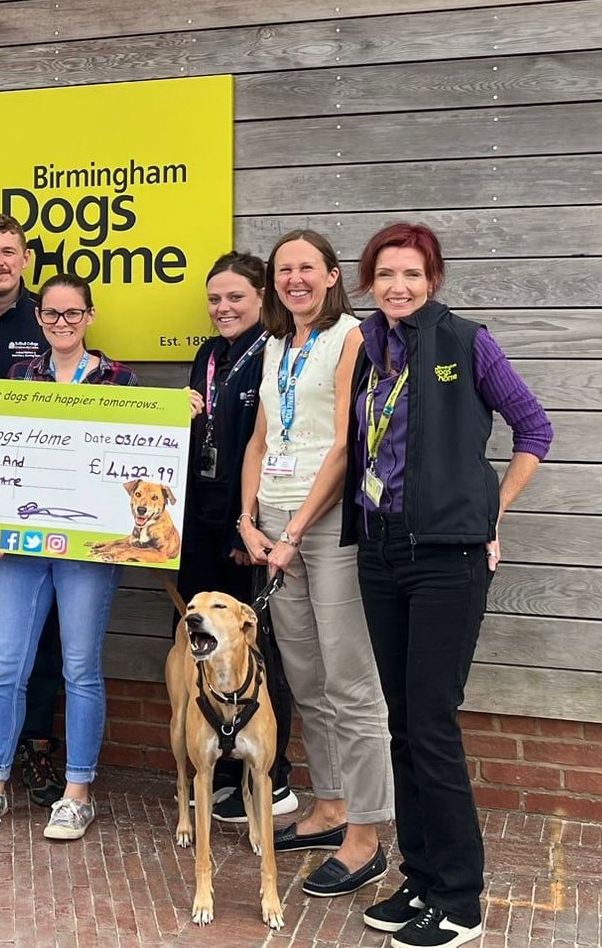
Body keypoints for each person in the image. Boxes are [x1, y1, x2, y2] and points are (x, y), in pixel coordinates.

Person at [342, 224, 551, 948]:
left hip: (447, 558)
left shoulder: (467, 342)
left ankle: (460, 901)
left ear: (433, 278)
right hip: (380, 553)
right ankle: (421, 878)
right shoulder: (371, 349)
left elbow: (534, 428)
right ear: (369, 281)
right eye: (386, 274)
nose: (399, 286)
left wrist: (494, 507)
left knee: (430, 723)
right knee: (401, 720)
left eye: (413, 273)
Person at [236, 229, 392, 898]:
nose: (295, 279)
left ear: (332, 276)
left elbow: (347, 446)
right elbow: (261, 437)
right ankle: (329, 805)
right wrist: (250, 521)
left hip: (326, 530)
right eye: (284, 270)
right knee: (306, 676)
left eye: (308, 268)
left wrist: (295, 529)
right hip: (273, 530)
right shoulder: (274, 345)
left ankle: (367, 833)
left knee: (352, 681)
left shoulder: (351, 338)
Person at [0, 274, 136, 841]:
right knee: (4, 666)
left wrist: (173, 413)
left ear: (91, 315)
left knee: (79, 667)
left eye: (73, 313)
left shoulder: (119, 378)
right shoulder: (18, 377)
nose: (63, 323)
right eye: (53, 314)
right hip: (22, 544)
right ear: (39, 319)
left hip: (87, 546)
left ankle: (77, 791)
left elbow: (142, 449)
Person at [180, 252, 299, 824]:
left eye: (234, 298)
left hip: (241, 527)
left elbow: (263, 445)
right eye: (214, 299)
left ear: (260, 299)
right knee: (203, 648)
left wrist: (242, 522)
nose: (222, 308)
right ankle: (222, 767)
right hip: (197, 524)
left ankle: (270, 775)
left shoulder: (272, 352)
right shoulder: (207, 355)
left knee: (255, 648)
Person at [0, 211, 65, 805]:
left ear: (25, 258)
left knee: (42, 637)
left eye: (9, 251)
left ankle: (37, 745)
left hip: (37, 502)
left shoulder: (49, 317)